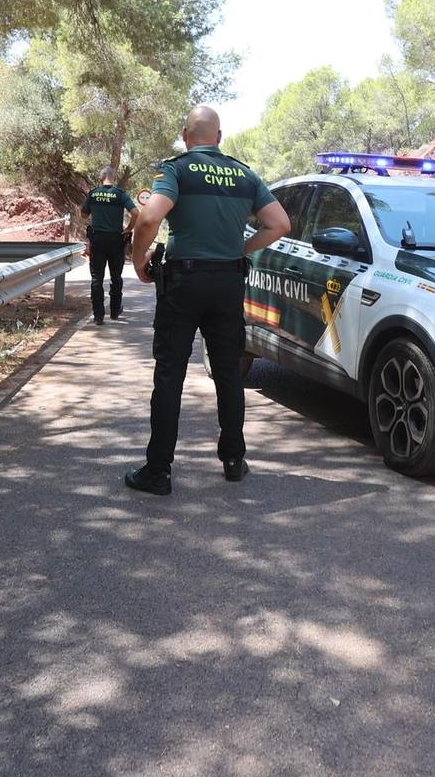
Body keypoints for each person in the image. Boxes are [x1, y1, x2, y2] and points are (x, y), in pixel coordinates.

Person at [124, 106, 290, 495]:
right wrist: (241, 248)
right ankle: (234, 461)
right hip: (228, 283)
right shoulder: (245, 174)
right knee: (229, 372)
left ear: (185, 135)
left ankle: (159, 471)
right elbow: (280, 224)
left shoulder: (177, 169)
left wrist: (138, 261)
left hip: (183, 283)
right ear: (219, 137)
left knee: (170, 374)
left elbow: (149, 219)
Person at [78, 168, 137, 323]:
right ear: (114, 177)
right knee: (116, 277)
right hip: (116, 240)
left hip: (97, 240)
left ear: (101, 177)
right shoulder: (120, 194)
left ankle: (98, 316)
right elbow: (136, 213)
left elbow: (83, 214)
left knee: (97, 278)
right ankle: (115, 311)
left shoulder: (93, 193)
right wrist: (129, 229)